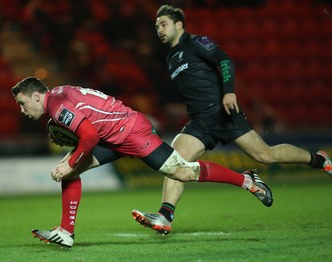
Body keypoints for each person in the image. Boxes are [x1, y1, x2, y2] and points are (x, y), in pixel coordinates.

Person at [131, 4, 332, 235]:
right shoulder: (170, 58)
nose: (159, 29)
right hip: (199, 121)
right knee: (175, 162)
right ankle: (165, 216)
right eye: (157, 26)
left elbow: (224, 60)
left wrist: (229, 91)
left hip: (222, 112)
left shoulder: (196, 42)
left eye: (163, 24)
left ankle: (319, 160)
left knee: (265, 155)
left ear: (179, 25)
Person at [12, 76, 272, 248]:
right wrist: (72, 159)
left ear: (36, 96)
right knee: (70, 171)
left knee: (182, 172)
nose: (23, 111)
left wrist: (71, 161)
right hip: (113, 136)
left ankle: (247, 180)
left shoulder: (56, 106)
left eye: (23, 104)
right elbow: (89, 126)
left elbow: (89, 136)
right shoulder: (58, 95)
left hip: (131, 132)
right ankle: (66, 232)